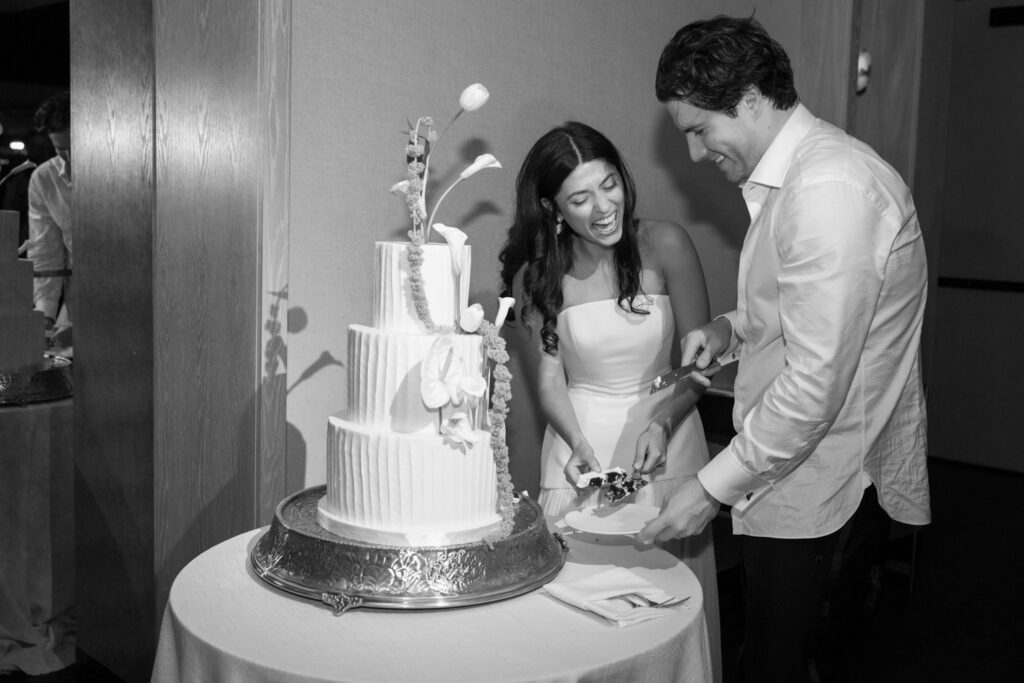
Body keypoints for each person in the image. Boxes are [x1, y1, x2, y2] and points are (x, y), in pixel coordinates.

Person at [638, 15, 931, 683]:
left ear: (747, 100)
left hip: (822, 488)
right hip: (791, 476)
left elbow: (814, 384)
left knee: (788, 664)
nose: (692, 153)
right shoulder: (801, 176)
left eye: (698, 130)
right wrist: (727, 329)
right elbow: (794, 308)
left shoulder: (829, 190)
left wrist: (709, 488)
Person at [499, 121, 721, 680]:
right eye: (580, 197)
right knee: (581, 624)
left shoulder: (666, 243)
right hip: (581, 454)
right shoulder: (538, 275)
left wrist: (663, 424)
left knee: (666, 614)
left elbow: (700, 366)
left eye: (610, 185)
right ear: (553, 207)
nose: (603, 207)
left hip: (668, 442)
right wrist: (574, 440)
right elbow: (550, 382)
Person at [26, 91, 73, 342]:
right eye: (61, 149)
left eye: (76, 147)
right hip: (74, 307)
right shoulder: (44, 179)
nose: (70, 157)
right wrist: (44, 318)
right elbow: (46, 252)